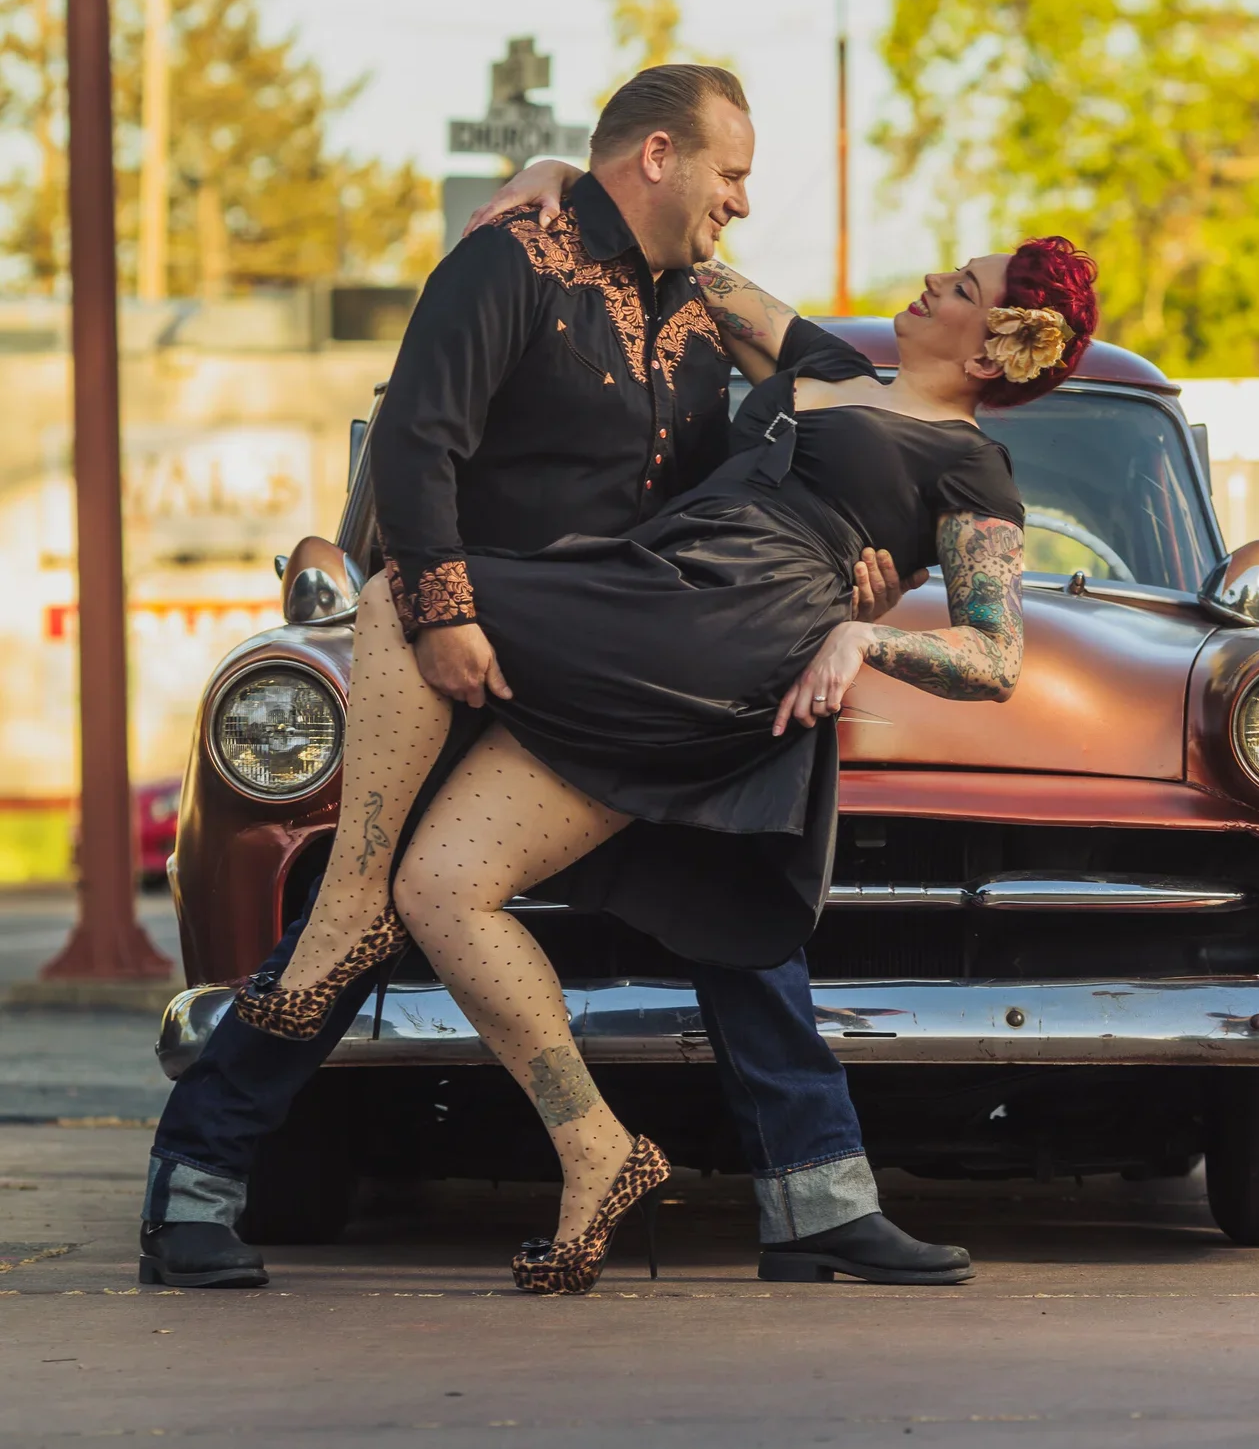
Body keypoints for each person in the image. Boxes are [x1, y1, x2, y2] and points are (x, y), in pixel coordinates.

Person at [141, 67, 955, 1291]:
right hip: (465, 658)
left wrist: (866, 560)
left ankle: (818, 1204)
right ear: (662, 157)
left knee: (733, 904)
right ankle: (196, 1193)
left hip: (629, 666)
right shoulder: (506, 265)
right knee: (350, 916)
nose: (742, 200)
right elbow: (419, 439)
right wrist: (449, 618)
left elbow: (842, 380)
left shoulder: (696, 298)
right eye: (730, 173)